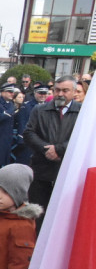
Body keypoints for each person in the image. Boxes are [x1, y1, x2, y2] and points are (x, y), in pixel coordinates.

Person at [22, 76, 80, 226]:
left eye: (65, 90)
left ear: (74, 92)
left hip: (67, 172)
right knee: (38, 216)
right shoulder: (40, 110)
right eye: (57, 90)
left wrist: (59, 150)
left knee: (62, 219)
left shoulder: (82, 112)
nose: (60, 94)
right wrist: (46, 149)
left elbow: (83, 137)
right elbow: (28, 133)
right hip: (41, 170)